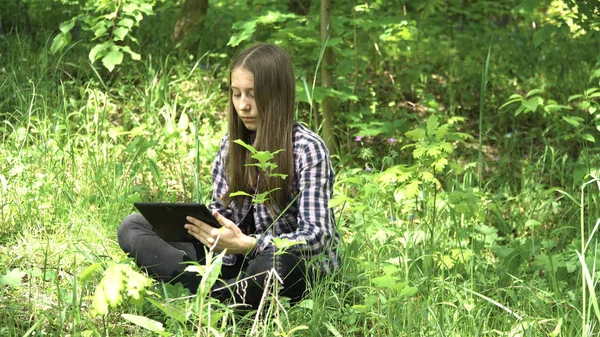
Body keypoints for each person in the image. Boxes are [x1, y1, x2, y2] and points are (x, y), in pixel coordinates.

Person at [117, 43, 341, 308]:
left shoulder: (307, 149)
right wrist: (208, 228)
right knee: (134, 226)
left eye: (253, 95)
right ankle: (223, 296)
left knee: (277, 264)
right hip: (231, 260)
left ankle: (208, 297)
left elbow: (317, 237)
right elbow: (224, 212)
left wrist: (249, 244)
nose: (243, 106)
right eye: (236, 94)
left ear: (277, 95)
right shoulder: (231, 145)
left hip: (284, 264)